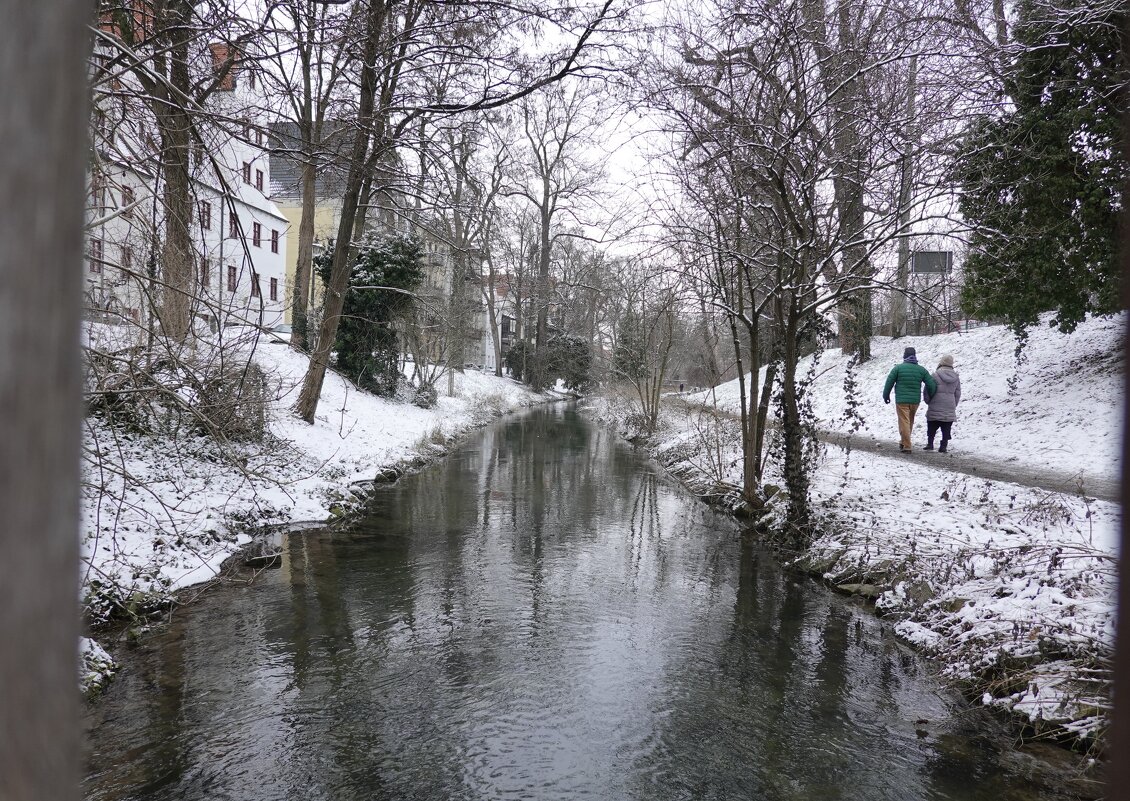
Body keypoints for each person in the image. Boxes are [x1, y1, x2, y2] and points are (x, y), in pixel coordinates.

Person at [882, 346, 936, 453]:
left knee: (904, 422)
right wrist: (931, 395)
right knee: (909, 422)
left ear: (904, 356)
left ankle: (907, 446)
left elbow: (889, 383)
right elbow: (931, 384)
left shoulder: (898, 368)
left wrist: (886, 395)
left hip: (902, 401)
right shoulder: (921, 370)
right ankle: (903, 442)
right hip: (915, 401)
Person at [924, 354, 961, 452]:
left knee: (932, 425)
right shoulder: (956, 377)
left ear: (941, 362)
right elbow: (957, 393)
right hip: (949, 405)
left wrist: (928, 401)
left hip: (935, 403)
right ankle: (943, 445)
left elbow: (928, 389)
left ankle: (930, 443)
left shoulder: (935, 375)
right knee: (946, 427)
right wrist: (954, 404)